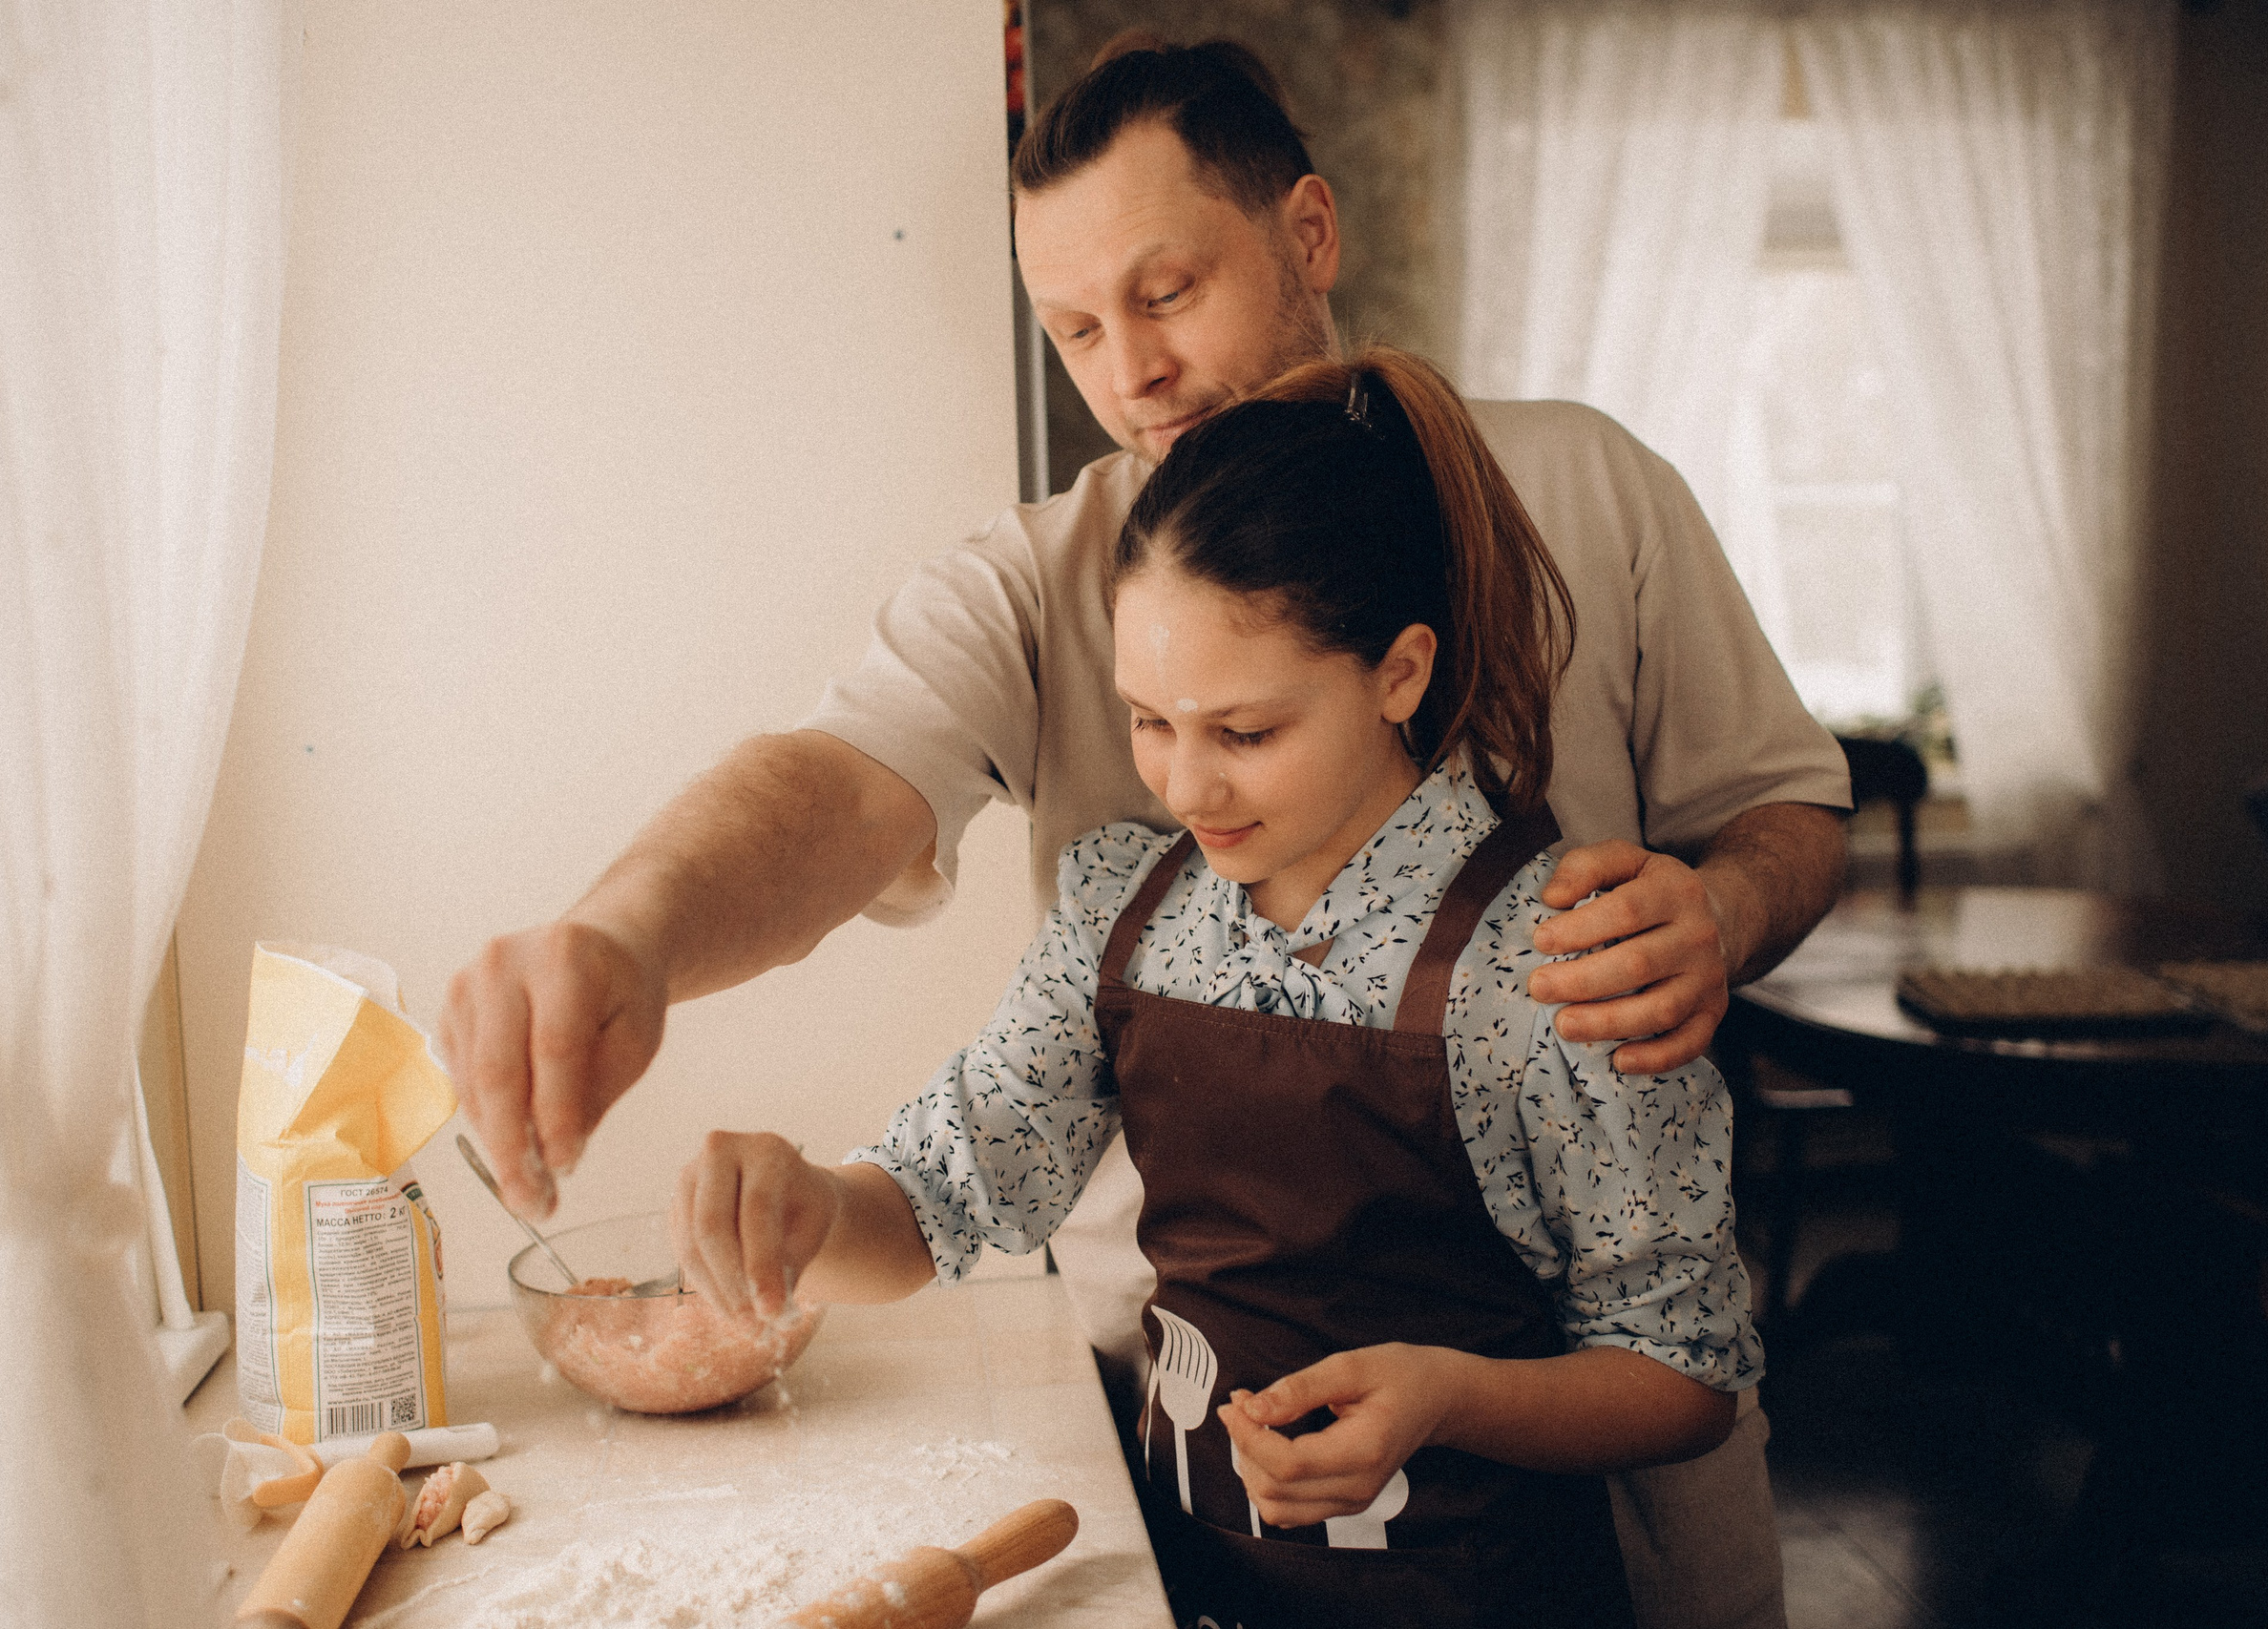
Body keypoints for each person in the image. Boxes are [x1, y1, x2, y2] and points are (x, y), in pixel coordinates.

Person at [442, 36, 1847, 1629]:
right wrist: (636, 937)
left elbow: (1779, 820)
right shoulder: (1071, 669)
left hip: (1573, 1537)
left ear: (1307, 238)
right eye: (1074, 330)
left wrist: (1715, 919)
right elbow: (838, 794)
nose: (1130, 373)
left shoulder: (1591, 503)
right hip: (1199, 1476)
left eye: (1166, 294)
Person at [669, 345, 1760, 1629]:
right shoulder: (1123, 917)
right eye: (1150, 720)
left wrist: (1446, 1395)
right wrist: (802, 1212)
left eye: (1246, 733)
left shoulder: (1561, 958)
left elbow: (1684, 1374)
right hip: (1198, 1590)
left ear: (1399, 673)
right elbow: (938, 1200)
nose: (1187, 789)